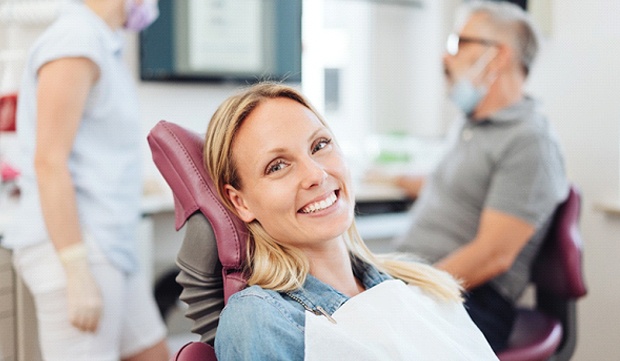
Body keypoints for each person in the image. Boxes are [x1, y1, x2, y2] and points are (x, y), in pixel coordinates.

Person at [201, 82, 499, 360]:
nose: (316, 174)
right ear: (240, 202)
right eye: (278, 166)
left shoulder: (421, 284)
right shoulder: (261, 318)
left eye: (319, 146)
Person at [391, 1, 568, 352]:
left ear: (497, 56)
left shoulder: (530, 141)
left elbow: (492, 255)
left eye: (458, 43)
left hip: (470, 297)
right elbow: (463, 188)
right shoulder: (471, 124)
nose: (446, 57)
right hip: (422, 278)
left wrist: (407, 293)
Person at [4, 0, 169, 359]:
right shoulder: (75, 41)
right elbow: (49, 161)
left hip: (110, 242)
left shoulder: (100, 43)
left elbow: (93, 151)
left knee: (153, 353)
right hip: (77, 246)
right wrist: (76, 270)